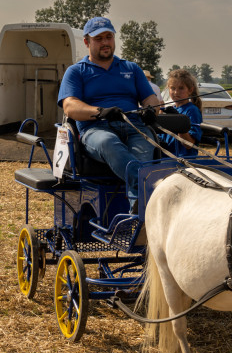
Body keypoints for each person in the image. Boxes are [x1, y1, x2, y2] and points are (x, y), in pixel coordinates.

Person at [57, 17, 162, 213]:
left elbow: (150, 98)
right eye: (99, 39)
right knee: (108, 143)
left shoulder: (131, 69)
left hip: (134, 127)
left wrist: (150, 109)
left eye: (109, 37)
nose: (105, 42)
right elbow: (70, 106)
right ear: (87, 42)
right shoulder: (76, 72)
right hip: (96, 129)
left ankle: (138, 215)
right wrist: (100, 112)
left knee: (145, 151)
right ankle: (148, 194)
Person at [159, 68, 204, 158]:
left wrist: (178, 122)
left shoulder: (192, 110)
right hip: (164, 157)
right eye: (172, 88)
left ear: (190, 90)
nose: (176, 92)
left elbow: (189, 144)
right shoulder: (170, 110)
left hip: (182, 159)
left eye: (181, 88)